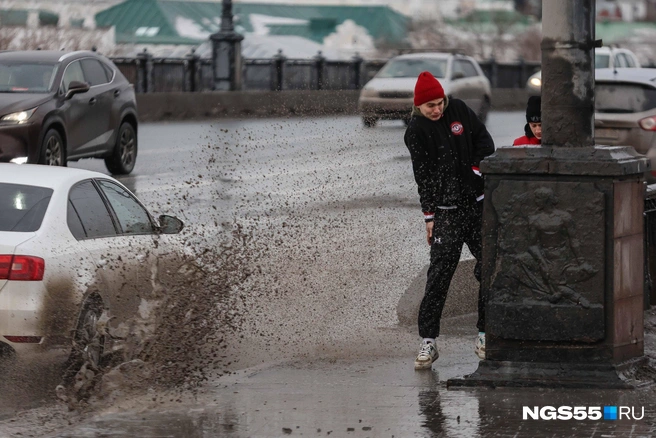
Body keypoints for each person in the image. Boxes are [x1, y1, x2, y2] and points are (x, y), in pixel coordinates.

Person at [404, 71, 495, 370]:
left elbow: (486, 144)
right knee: (439, 276)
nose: (437, 109)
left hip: (477, 206)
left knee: (490, 268)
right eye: (430, 105)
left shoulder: (459, 111)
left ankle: (484, 334)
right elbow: (423, 177)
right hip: (445, 213)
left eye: (439, 102)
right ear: (419, 107)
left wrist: (474, 173)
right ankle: (428, 342)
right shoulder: (415, 131)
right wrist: (429, 216)